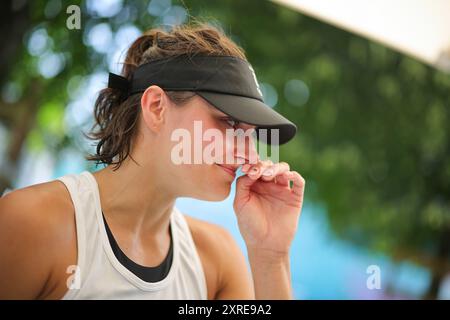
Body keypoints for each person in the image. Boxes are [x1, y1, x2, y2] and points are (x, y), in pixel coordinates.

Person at [0, 23, 305, 299]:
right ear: (157, 107)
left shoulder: (217, 260)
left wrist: (270, 256)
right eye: (229, 123)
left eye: (251, 135)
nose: (249, 155)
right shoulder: (31, 223)